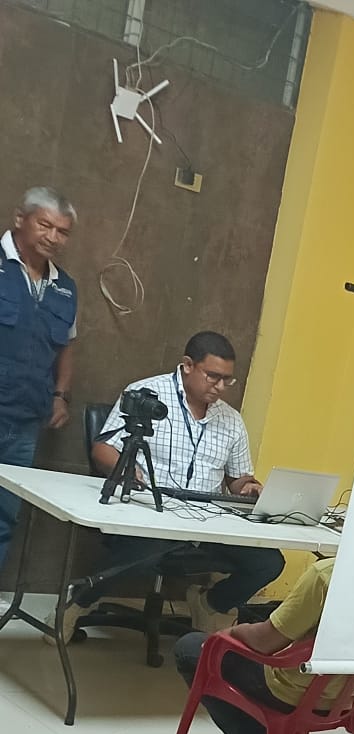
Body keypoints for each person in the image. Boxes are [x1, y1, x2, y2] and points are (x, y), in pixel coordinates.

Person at [73, 331, 280, 637]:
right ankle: (78, 601)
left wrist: (249, 487)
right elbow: (103, 448)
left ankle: (211, 604)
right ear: (187, 365)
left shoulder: (231, 420)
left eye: (227, 379)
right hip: (150, 512)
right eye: (213, 376)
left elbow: (238, 479)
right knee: (148, 550)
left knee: (268, 561)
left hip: (208, 521)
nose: (220, 387)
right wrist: (126, 470)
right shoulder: (145, 395)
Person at [172, 555, 336, 734]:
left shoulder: (327, 573)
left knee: (193, 649)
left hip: (291, 691)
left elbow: (264, 642)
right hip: (345, 697)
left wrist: (233, 631)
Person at [0, 187, 77, 568]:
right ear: (20, 219)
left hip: (25, 422)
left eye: (62, 231)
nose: (53, 237)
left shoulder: (66, 288)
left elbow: (66, 346)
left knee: (5, 518)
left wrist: (60, 394)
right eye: (45, 225)